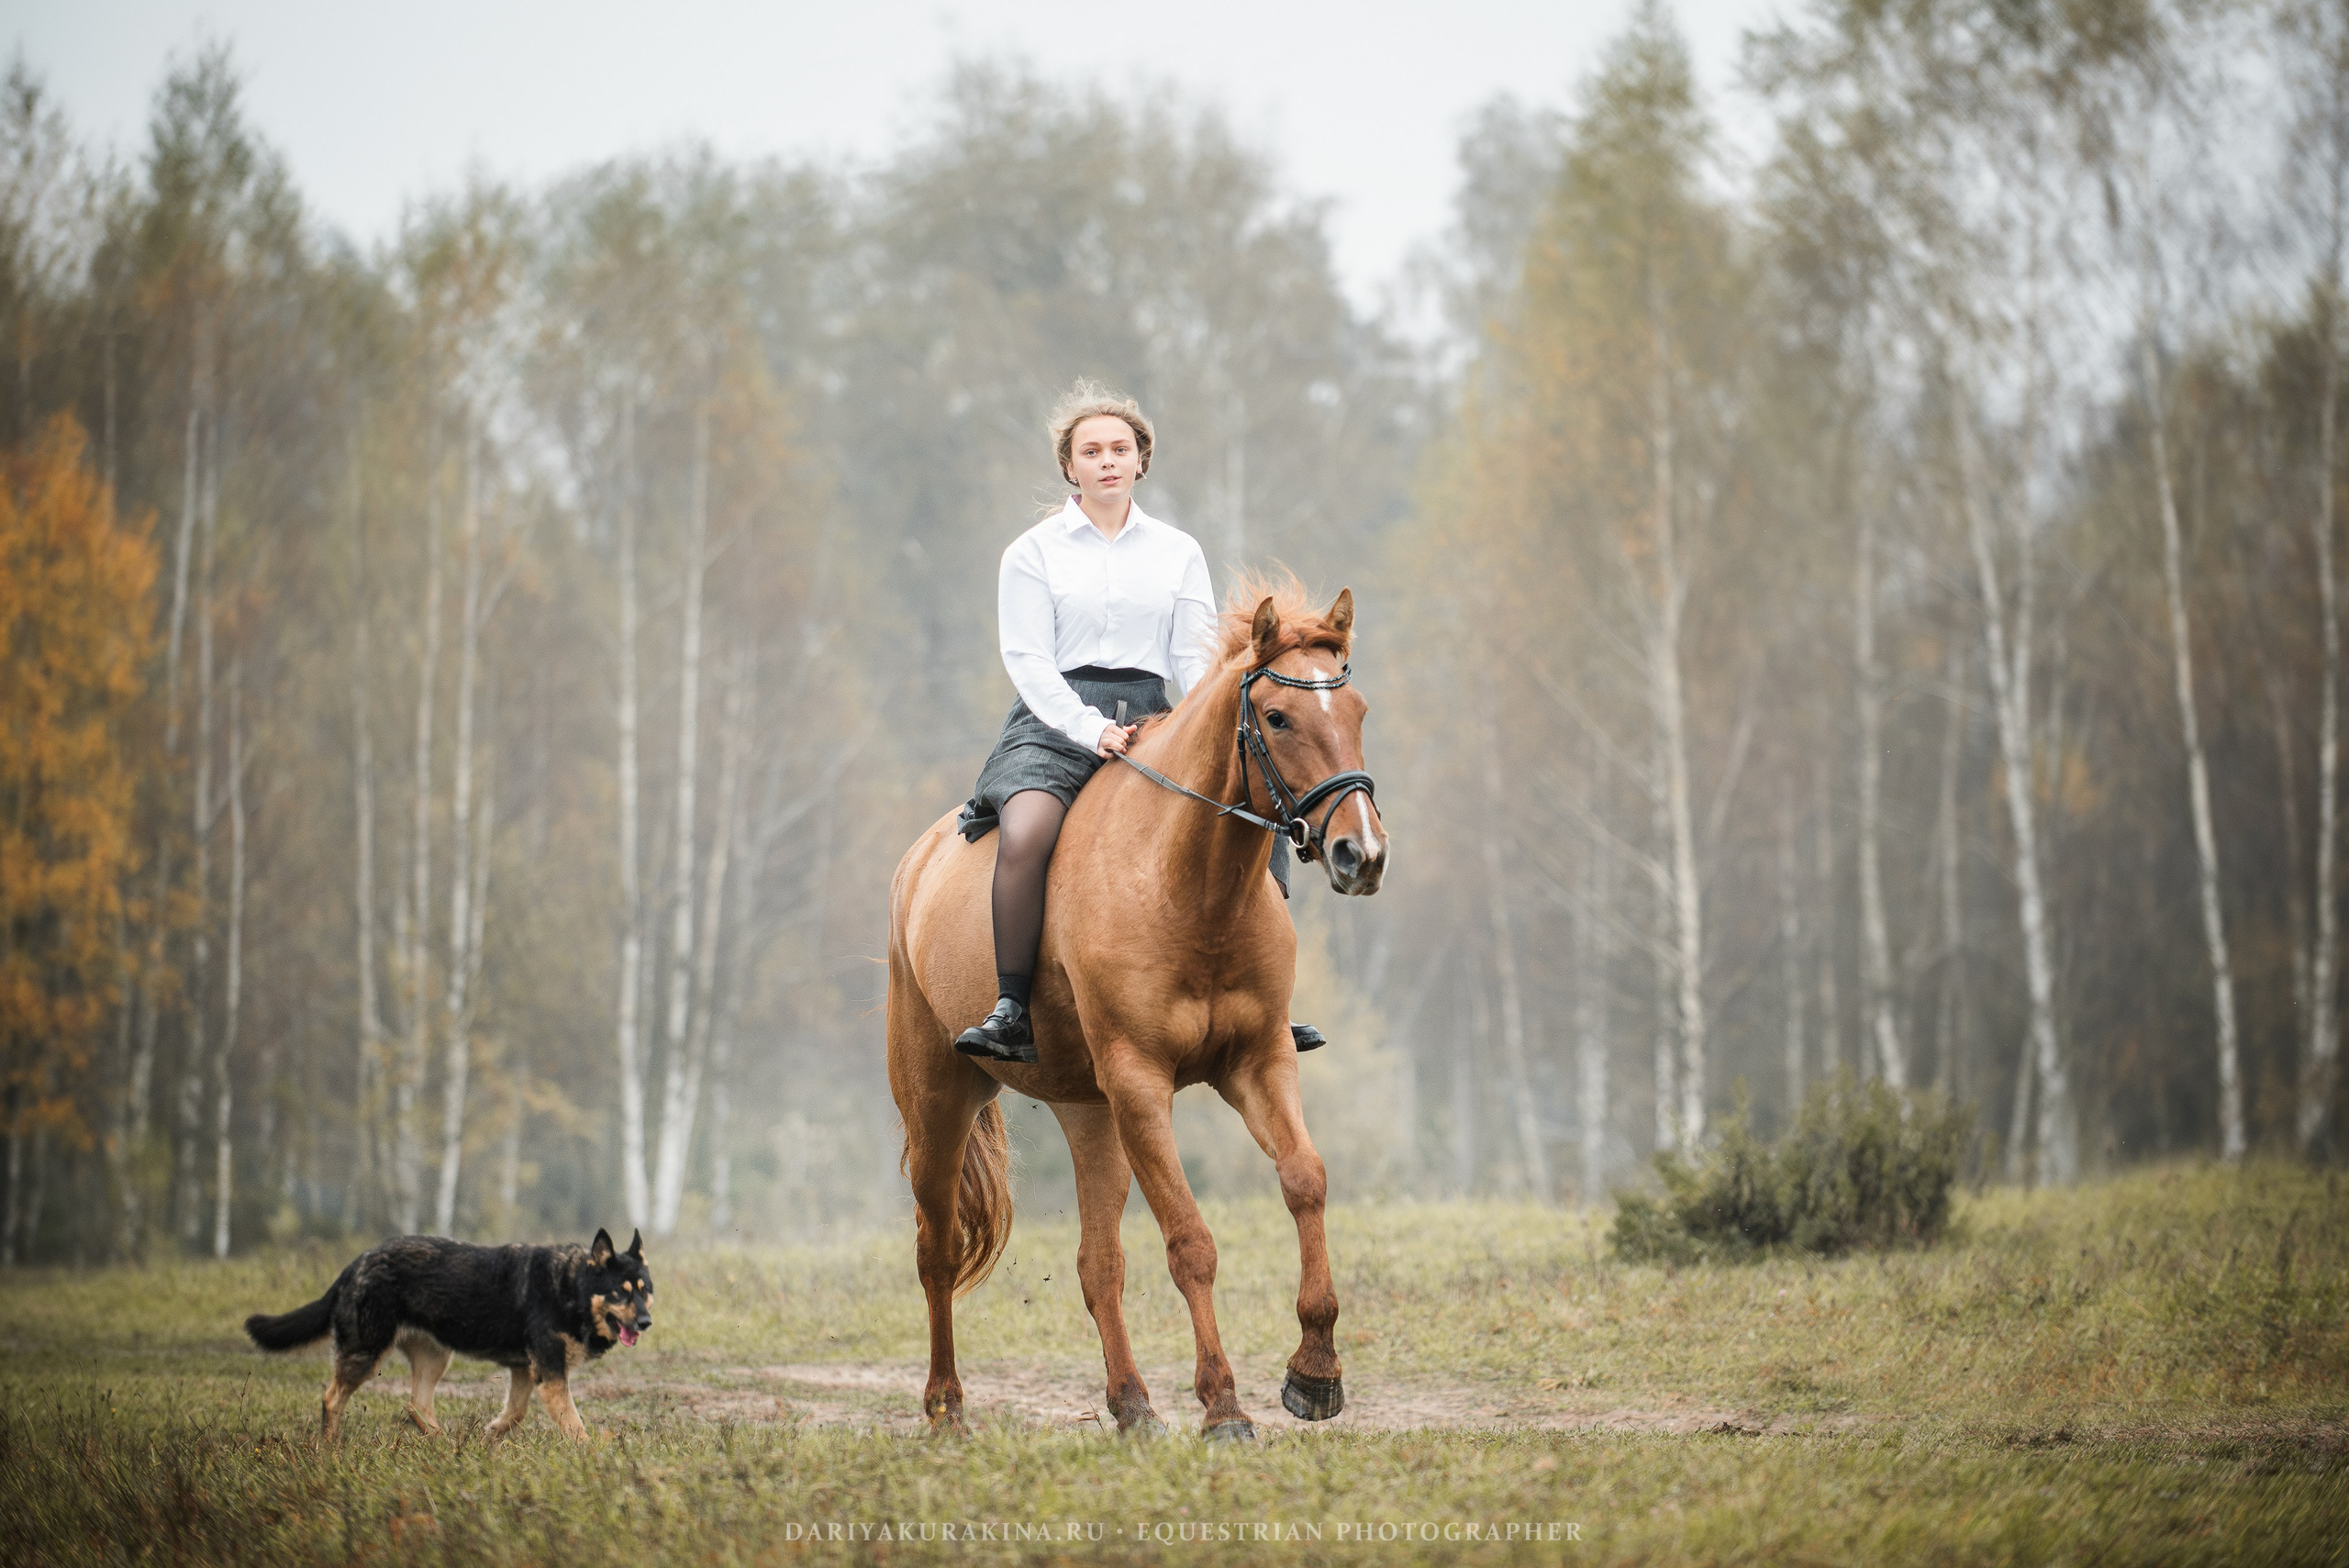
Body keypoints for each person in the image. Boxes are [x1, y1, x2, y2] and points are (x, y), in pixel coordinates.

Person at [952, 381, 1328, 1062]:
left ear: (1140, 460)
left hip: (1158, 713)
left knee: (1258, 806)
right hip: (1054, 717)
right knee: (1028, 828)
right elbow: (1028, 661)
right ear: (1069, 466)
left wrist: (1202, 727)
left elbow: (1194, 656)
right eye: (1090, 450)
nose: (1106, 461)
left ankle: (1269, 1001)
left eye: (1119, 449)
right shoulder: (1031, 553)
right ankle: (1011, 1006)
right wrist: (1087, 727)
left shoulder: (1177, 550)